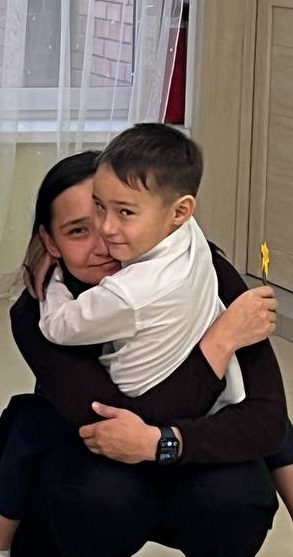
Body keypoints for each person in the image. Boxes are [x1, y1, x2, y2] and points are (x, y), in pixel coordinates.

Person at [0, 151, 291, 557]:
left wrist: (168, 442)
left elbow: (269, 418)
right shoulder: (39, 312)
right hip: (107, 465)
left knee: (240, 498)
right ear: (49, 243)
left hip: (197, 459)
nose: (106, 238)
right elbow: (116, 422)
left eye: (114, 213)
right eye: (78, 230)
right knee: (84, 493)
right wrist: (219, 342)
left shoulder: (198, 268)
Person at [38, 125, 243, 408]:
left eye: (125, 212)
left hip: (138, 403)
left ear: (181, 211)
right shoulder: (186, 231)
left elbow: (56, 325)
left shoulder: (129, 294)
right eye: (100, 205)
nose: (106, 227)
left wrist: (54, 275)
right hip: (215, 392)